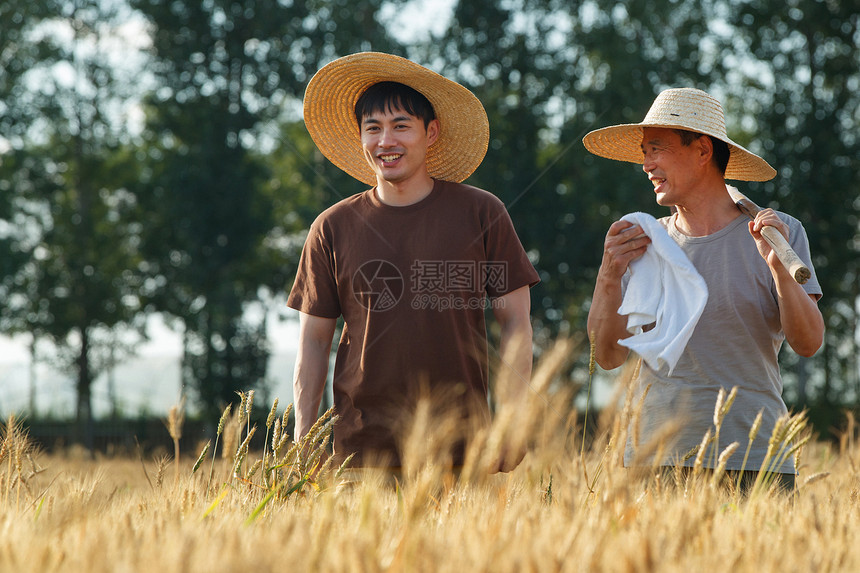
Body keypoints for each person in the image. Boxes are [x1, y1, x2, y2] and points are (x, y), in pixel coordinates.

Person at [288, 52, 540, 473]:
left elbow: (515, 323)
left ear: (432, 132)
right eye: (374, 128)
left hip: (464, 448)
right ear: (361, 138)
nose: (386, 141)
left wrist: (512, 424)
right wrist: (303, 437)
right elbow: (313, 342)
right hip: (361, 454)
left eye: (401, 126)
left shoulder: (482, 213)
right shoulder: (331, 227)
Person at [582, 88, 824, 491]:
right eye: (644, 151)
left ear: (702, 150)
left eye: (656, 149)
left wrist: (780, 270)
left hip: (757, 459)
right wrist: (608, 276)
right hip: (657, 460)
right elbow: (606, 357)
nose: (645, 164)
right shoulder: (642, 245)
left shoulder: (778, 233)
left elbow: (809, 342)